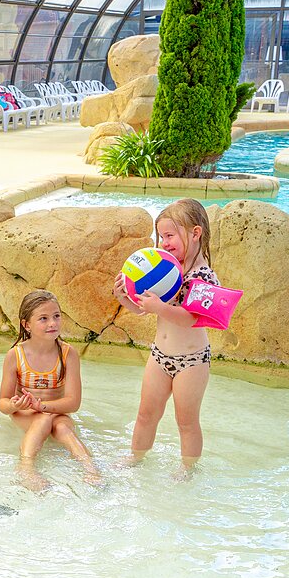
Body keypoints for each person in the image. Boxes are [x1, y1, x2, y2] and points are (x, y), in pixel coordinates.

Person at [113, 198, 220, 472]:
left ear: (195, 233)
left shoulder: (202, 276)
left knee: (186, 421)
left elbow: (192, 319)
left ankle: (188, 469)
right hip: (159, 357)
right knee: (146, 414)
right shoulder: (165, 269)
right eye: (161, 236)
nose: (164, 242)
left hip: (192, 362)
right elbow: (141, 310)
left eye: (170, 235)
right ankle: (136, 458)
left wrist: (159, 307)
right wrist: (124, 298)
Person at [0, 290, 101, 491]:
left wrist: (43, 405)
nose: (52, 323)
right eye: (43, 319)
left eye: (56, 316)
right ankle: (26, 467)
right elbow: (2, 403)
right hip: (26, 413)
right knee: (43, 418)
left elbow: (73, 402)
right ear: (26, 325)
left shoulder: (68, 354)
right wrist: (14, 404)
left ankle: (90, 468)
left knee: (62, 427)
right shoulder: (15, 355)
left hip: (56, 412)